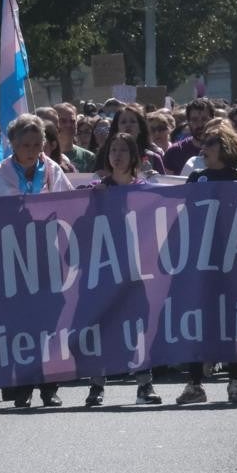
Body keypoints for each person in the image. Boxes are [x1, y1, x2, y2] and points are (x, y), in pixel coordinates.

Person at [0, 114, 74, 407]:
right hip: (15, 259)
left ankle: (49, 386)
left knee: (50, 319)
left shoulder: (51, 169)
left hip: (48, 255)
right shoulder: (0, 173)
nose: (32, 150)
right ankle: (22, 386)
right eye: (26, 145)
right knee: (21, 323)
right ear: (13, 145)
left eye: (37, 144)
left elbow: (69, 202)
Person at [83, 133, 162, 407]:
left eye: (123, 151)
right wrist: (93, 199)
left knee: (139, 326)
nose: (117, 155)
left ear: (134, 158)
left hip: (136, 271)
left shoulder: (144, 190)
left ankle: (144, 384)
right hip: (104, 272)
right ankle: (96, 387)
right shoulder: (97, 189)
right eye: (113, 150)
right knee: (101, 327)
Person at [179, 121, 237, 405]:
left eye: (210, 142)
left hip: (232, 257)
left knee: (231, 319)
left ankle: (235, 381)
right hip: (202, 259)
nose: (204, 147)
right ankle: (195, 382)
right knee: (200, 320)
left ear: (225, 147)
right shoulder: (197, 178)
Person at [163, 98, 215, 174]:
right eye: (194, 120)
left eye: (204, 119)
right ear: (188, 122)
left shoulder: (224, 151)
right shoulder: (174, 152)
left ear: (213, 120)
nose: (200, 124)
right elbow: (167, 183)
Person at [54, 103, 95, 173]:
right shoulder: (45, 155)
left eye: (72, 121)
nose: (69, 125)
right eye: (63, 121)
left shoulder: (88, 157)